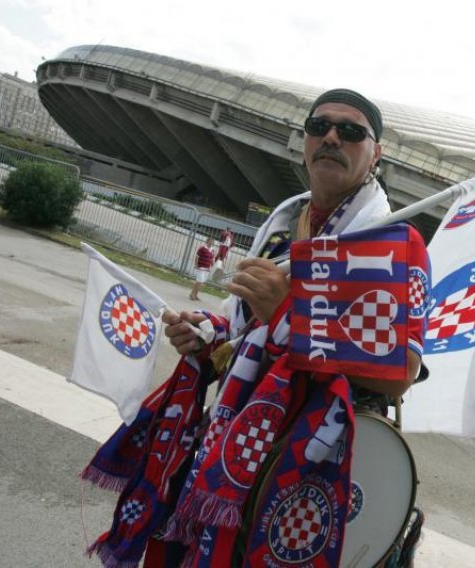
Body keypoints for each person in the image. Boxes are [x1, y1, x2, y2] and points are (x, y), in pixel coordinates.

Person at [84, 89, 429, 568]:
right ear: (304, 141)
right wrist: (209, 336)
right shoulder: (283, 227)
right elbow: (244, 331)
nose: (331, 137)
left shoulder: (394, 244)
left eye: (350, 131)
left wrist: (289, 314)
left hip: (313, 463)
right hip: (232, 444)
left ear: (377, 153)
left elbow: (400, 373)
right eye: (319, 126)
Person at [189, 236, 214, 301]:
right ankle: (192, 295)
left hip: (207, 268)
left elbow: (212, 259)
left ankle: (195, 295)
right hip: (201, 267)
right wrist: (196, 265)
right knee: (198, 281)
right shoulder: (202, 248)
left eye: (212, 242)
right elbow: (197, 257)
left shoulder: (212, 249)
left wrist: (211, 266)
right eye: (210, 241)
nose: (211, 243)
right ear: (207, 241)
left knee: (201, 282)